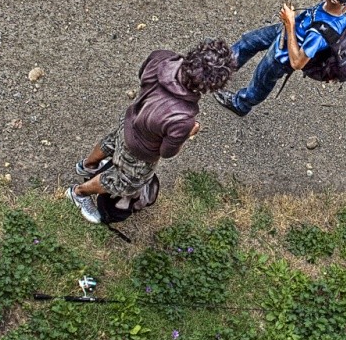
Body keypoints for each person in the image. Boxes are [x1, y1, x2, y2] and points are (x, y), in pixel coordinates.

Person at [66, 38, 236, 224]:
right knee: (125, 182)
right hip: (141, 151)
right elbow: (167, 152)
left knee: (111, 142)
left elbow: (142, 74)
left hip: (130, 120)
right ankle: (79, 193)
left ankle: (87, 165)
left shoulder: (162, 58)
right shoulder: (183, 118)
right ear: (211, 86)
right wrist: (189, 134)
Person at [214, 0, 346, 117]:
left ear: (335, 0)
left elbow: (297, 62)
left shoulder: (318, 35)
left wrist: (290, 23)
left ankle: (241, 104)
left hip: (282, 56)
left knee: (261, 80)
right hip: (290, 30)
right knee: (248, 41)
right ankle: (221, 69)